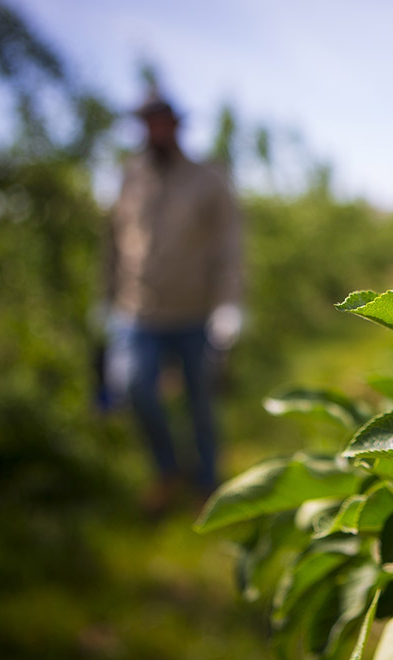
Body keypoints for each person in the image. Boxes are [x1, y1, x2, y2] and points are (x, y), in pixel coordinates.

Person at [103, 89, 243, 515]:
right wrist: (104, 299)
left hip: (194, 312)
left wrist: (229, 304)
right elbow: (112, 242)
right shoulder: (132, 176)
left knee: (200, 399)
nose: (155, 130)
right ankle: (166, 471)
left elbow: (229, 246)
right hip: (137, 310)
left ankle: (207, 481)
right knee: (135, 387)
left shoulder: (207, 178)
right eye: (148, 123)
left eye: (162, 122)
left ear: (177, 126)